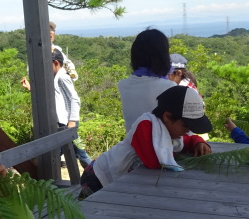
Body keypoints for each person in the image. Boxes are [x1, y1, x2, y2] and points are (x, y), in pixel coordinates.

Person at [79, 85, 212, 198]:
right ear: (167, 117)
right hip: (98, 178)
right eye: (186, 126)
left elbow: (185, 140)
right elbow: (153, 161)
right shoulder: (145, 125)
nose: (188, 131)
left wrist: (198, 141)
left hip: (123, 179)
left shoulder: (169, 130)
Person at [20, 49, 92, 169]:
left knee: (68, 151)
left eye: (47, 64)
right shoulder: (56, 77)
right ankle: (93, 172)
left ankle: (94, 172)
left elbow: (74, 99)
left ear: (56, 63)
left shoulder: (62, 77)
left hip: (68, 122)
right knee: (75, 151)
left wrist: (72, 121)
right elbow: (52, 95)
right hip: (64, 122)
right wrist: (30, 88)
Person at [117, 28, 176, 131]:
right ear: (163, 56)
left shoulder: (123, 85)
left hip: (133, 145)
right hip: (161, 146)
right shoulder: (169, 87)